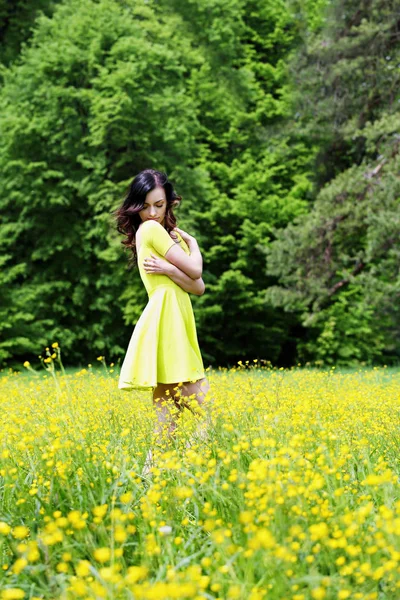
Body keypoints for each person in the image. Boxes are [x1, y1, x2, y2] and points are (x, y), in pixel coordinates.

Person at [114, 169, 213, 475]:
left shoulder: (164, 235)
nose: (153, 213)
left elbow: (198, 288)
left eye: (159, 205)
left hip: (168, 319)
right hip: (167, 322)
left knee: (165, 426)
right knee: (207, 415)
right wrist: (193, 244)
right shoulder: (152, 231)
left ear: (169, 202)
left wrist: (170, 270)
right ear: (136, 207)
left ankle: (149, 485)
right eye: (145, 206)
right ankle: (190, 476)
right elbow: (196, 272)